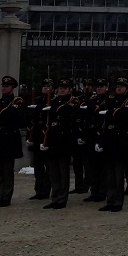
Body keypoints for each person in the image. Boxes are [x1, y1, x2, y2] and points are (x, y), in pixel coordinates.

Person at [97, 77, 128, 212]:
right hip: (109, 140)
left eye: (122, 86)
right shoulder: (111, 100)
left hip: (121, 141)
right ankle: (110, 200)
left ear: (127, 89)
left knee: (118, 175)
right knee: (109, 175)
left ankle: (118, 202)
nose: (119, 88)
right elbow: (103, 117)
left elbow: (124, 113)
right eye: (118, 86)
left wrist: (110, 112)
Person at [0, 76, 25, 207]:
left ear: (12, 88)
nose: (3, 88)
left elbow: (12, 115)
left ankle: (7, 196)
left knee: (7, 170)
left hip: (9, 138)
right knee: (0, 171)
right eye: (3, 86)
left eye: (6, 86)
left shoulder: (17, 101)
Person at [42, 78, 80, 209]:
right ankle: (55, 197)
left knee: (63, 172)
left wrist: (53, 108)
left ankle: (62, 199)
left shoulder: (73, 101)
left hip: (65, 140)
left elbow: (67, 111)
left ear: (69, 90)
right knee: (53, 172)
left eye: (65, 88)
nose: (62, 90)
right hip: (53, 139)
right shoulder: (53, 101)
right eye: (60, 88)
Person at [26, 79, 53, 200]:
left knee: (48, 166)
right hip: (37, 136)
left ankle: (46, 190)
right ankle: (39, 189)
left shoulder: (53, 101)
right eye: (44, 86)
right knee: (38, 166)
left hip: (47, 137)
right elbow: (31, 120)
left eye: (48, 86)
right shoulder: (37, 101)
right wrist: (29, 136)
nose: (46, 88)